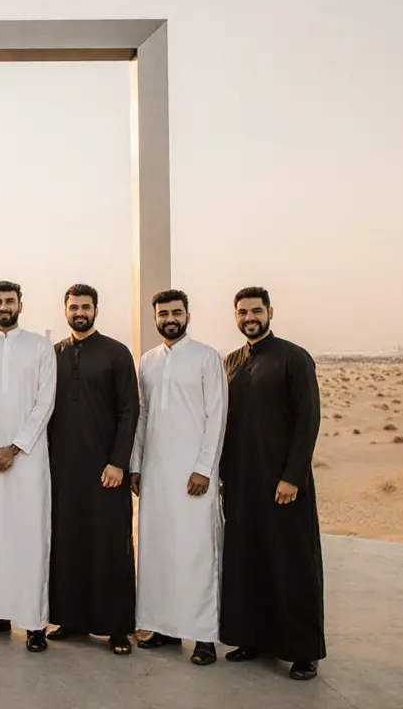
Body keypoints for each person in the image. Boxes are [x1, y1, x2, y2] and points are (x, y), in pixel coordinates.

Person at [219, 286, 325, 681]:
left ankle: (303, 651)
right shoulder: (230, 362)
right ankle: (251, 639)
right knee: (248, 562)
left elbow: (308, 420)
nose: (250, 318)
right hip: (242, 484)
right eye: (243, 312)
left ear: (270, 312)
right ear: (235, 317)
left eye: (256, 311)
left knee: (292, 565)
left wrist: (292, 476)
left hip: (284, 486)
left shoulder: (294, 358)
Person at [129, 289, 227, 666]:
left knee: (195, 553)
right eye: (163, 313)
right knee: (159, 552)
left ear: (188, 314)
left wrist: (205, 468)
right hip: (155, 473)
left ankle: (203, 636)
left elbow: (216, 416)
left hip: (193, 476)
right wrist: (137, 464)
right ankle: (164, 629)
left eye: (176, 312)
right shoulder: (148, 362)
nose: (169, 318)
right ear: (155, 318)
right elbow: (143, 417)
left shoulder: (206, 357)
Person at [46, 284, 139, 655]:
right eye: (74, 307)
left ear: (96, 310)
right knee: (67, 543)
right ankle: (70, 619)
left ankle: (115, 628)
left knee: (109, 545)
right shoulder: (53, 355)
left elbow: (129, 410)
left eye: (86, 306)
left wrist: (118, 461)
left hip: (106, 471)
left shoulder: (116, 353)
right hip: (62, 469)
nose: (79, 312)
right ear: (65, 310)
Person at [0, 281, 57, 653]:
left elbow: (44, 403)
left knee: (29, 538)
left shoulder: (39, 347)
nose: (4, 307)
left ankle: (34, 623)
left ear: (21, 303)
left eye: (9, 301)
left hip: (28, 459)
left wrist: (15, 447)